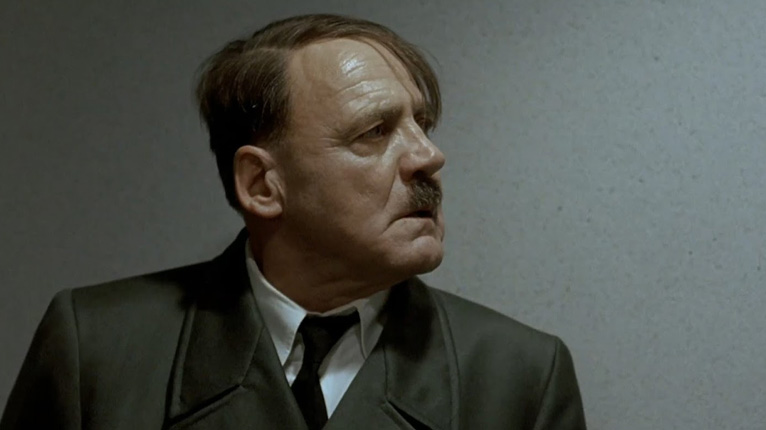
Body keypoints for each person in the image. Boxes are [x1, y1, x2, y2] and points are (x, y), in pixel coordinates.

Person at [1, 14, 586, 430]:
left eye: (422, 125)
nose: (429, 156)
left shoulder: (521, 377)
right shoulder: (96, 350)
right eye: (375, 131)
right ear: (262, 184)